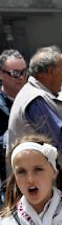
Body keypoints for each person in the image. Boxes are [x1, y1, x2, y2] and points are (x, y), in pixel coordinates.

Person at [7, 46, 62, 169]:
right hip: (39, 181)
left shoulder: (37, 94)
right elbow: (61, 139)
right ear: (51, 71)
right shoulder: (35, 99)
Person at [0, 49, 27, 183]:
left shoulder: (33, 99)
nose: (21, 77)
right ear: (1, 74)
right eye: (15, 73)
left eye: (24, 72)